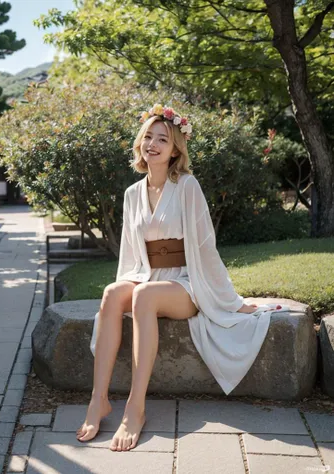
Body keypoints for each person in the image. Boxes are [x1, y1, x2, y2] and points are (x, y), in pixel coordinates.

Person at [76, 104, 272, 453]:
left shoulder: (187, 186)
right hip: (147, 275)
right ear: (140, 143)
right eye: (148, 137)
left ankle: (135, 408)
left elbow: (205, 246)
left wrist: (232, 302)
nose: (153, 143)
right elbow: (129, 253)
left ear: (175, 149)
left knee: (143, 298)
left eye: (162, 139)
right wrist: (127, 283)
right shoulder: (132, 194)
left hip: (185, 282)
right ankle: (99, 400)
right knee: (111, 293)